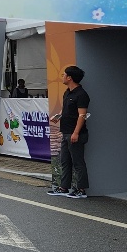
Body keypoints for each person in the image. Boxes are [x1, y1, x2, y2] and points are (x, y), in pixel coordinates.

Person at [48, 65, 90, 199]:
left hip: (75, 133)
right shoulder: (67, 92)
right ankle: (64, 187)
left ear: (70, 77)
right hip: (65, 132)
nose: (63, 77)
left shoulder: (81, 94)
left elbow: (82, 115)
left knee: (78, 162)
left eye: (64, 75)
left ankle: (81, 189)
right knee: (65, 161)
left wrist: (76, 133)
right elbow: (64, 110)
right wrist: (57, 117)